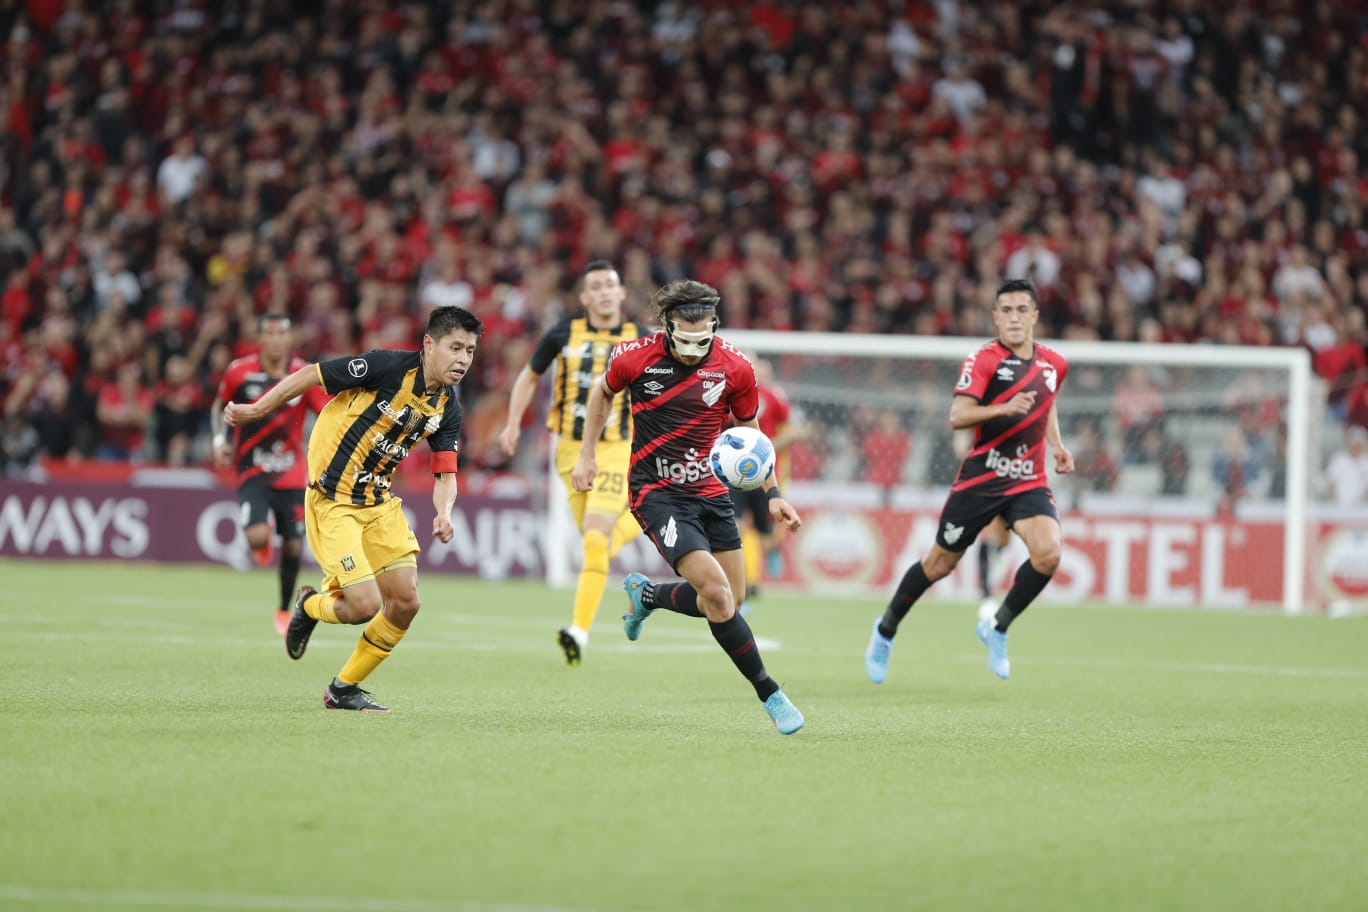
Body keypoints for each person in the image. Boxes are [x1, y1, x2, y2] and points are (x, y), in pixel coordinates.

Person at [571, 279, 806, 734]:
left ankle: (648, 595)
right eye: (686, 340)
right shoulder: (634, 357)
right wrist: (587, 454)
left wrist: (773, 494)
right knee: (717, 595)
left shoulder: (735, 367)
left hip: (711, 491)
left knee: (730, 601)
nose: (696, 350)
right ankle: (770, 693)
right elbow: (601, 394)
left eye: (705, 339)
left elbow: (749, 437)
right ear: (666, 327)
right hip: (656, 493)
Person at [224, 306, 483, 712]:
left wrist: (444, 512)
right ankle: (309, 606)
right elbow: (313, 374)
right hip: (333, 501)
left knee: (406, 603)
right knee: (362, 606)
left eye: (470, 350)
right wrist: (257, 409)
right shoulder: (387, 367)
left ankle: (343, 688)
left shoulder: (447, 408)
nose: (464, 359)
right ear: (429, 344)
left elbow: (445, 473)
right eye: (455, 348)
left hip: (379, 505)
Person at [865, 278, 1074, 683]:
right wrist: (1003, 408)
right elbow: (958, 416)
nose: (1014, 318)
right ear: (995, 317)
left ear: (1034, 316)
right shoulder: (983, 360)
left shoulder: (1055, 364)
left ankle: (996, 627)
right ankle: (886, 630)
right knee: (939, 563)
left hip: (1027, 478)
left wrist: (1058, 446)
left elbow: (1046, 405)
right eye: (1006, 311)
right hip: (982, 479)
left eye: (1021, 310)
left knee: (1048, 553)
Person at [496, 260, 644, 665]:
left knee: (595, 537)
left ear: (621, 293)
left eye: (609, 285)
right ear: (584, 297)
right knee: (594, 543)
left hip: (615, 447)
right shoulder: (563, 332)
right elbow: (528, 376)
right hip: (568, 450)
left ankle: (579, 630)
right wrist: (512, 423)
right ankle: (645, 518)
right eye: (594, 286)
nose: (603, 292)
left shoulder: (640, 337)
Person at [211, 314, 331, 634]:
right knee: (257, 536)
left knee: (293, 545)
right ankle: (261, 545)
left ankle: (282, 610)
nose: (276, 339)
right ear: (260, 338)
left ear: (290, 339)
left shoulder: (303, 373)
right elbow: (220, 406)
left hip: (292, 474)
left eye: (282, 333)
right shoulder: (239, 371)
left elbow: (327, 411)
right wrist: (220, 439)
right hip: (252, 470)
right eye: (270, 333)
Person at [729, 356, 803, 612]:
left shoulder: (774, 396)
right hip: (736, 475)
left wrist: (764, 447)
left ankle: (772, 550)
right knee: (736, 529)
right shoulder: (729, 394)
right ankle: (745, 589)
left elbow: (793, 431)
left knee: (765, 537)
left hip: (765, 475)